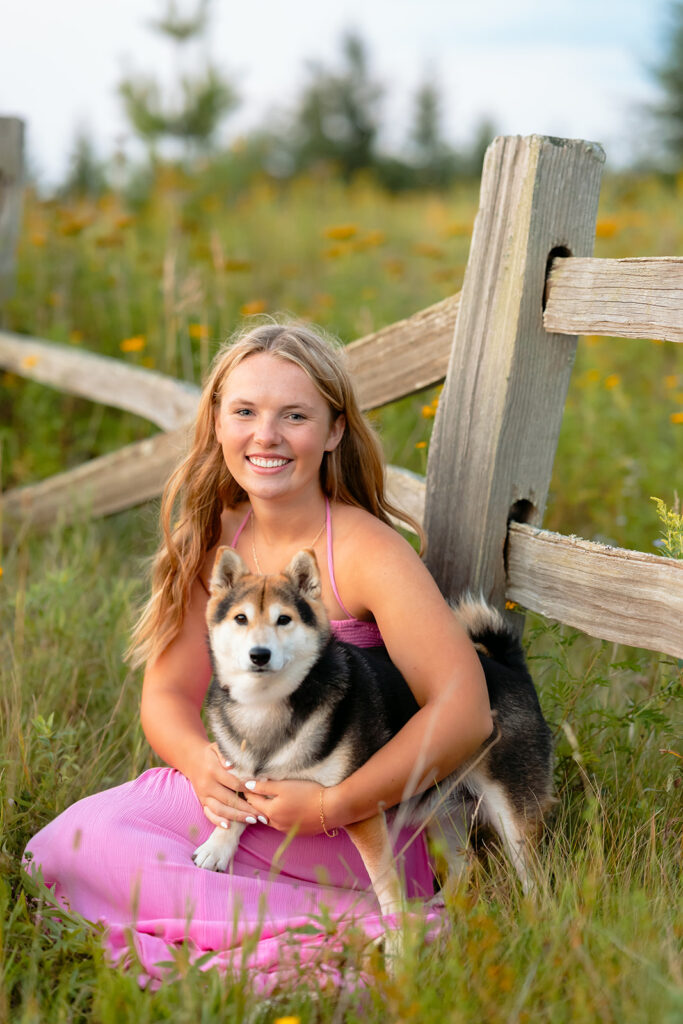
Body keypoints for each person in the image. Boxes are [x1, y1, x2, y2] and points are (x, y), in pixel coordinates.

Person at [23, 320, 492, 990]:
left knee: (113, 871)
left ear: (332, 431)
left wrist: (333, 806)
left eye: (294, 416)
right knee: (65, 848)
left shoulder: (363, 551)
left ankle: (350, 930)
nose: (265, 436)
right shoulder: (214, 537)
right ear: (217, 421)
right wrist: (201, 768)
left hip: (348, 817)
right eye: (244, 411)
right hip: (236, 800)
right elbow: (165, 694)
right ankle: (251, 937)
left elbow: (464, 711)